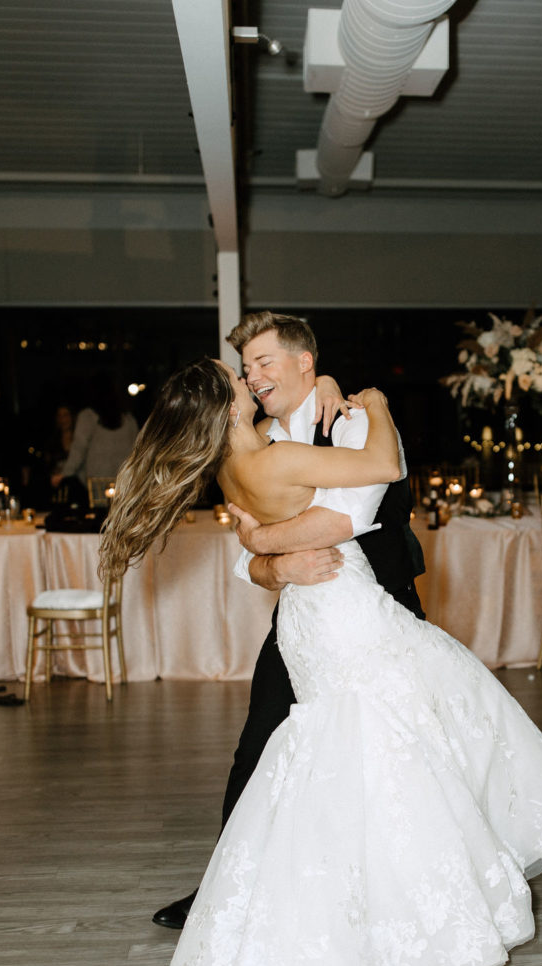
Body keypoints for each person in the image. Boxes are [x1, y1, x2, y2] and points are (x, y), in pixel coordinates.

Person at [99, 355, 542, 966]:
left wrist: (270, 546)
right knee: (392, 747)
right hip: (340, 613)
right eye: (236, 377)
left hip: (314, 618)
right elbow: (385, 466)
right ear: (226, 406)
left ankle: (357, 898)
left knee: (358, 750)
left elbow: (261, 534)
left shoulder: (237, 465)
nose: (249, 380)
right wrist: (381, 406)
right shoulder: (275, 462)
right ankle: (397, 913)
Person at [152, 312, 425, 930]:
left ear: (306, 362)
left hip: (377, 609)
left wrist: (265, 543)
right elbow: (243, 562)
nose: (254, 378)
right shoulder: (254, 440)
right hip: (307, 619)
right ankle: (226, 888)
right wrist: (275, 569)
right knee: (260, 743)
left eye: (264, 363)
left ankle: (398, 878)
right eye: (246, 369)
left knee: (399, 748)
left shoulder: (352, 422)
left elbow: (342, 523)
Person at [51, 373, 138, 490]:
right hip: (123, 482)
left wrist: (64, 473)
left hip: (96, 483)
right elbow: (137, 450)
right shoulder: (128, 419)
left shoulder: (88, 417)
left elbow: (79, 448)